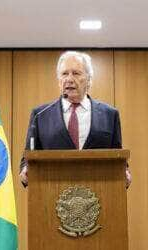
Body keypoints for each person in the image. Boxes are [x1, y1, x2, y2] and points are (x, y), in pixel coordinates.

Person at [19, 51, 131, 188]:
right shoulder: (40, 115)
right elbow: (27, 159)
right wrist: (25, 171)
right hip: (55, 193)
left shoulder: (109, 115)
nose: (69, 79)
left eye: (76, 73)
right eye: (64, 74)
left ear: (89, 80)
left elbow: (118, 157)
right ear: (59, 81)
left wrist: (124, 172)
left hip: (98, 193)